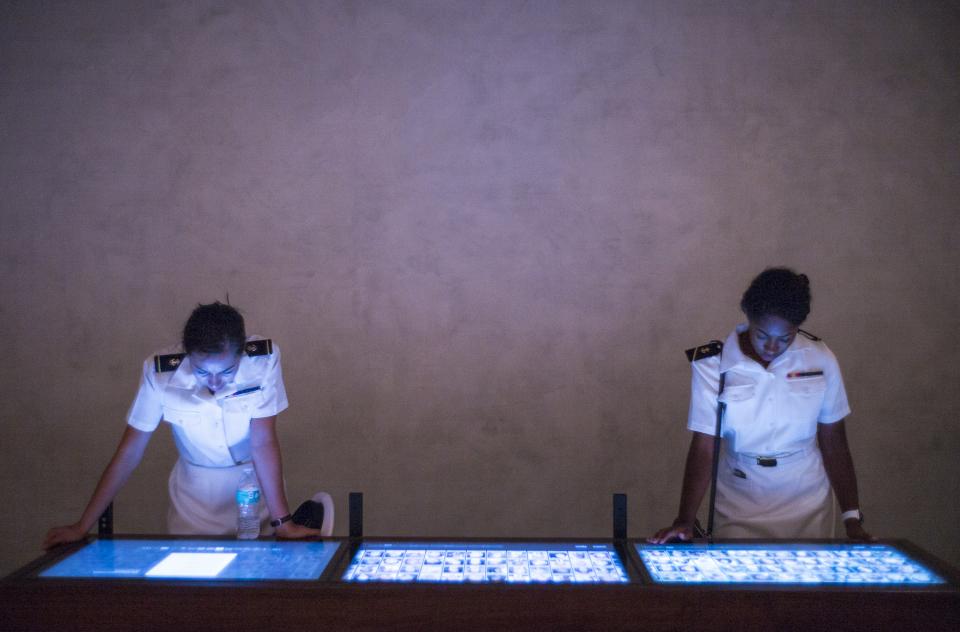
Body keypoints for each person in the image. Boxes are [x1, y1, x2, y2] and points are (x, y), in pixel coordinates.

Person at [44, 302, 320, 548]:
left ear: (240, 355)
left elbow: (263, 441)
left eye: (226, 372)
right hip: (194, 500)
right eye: (202, 372)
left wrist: (282, 522)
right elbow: (129, 453)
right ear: (188, 355)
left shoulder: (263, 359)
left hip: (254, 489)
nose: (214, 383)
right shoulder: (160, 372)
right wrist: (82, 526)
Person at [650, 268, 871, 543]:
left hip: (806, 497)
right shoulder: (713, 364)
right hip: (741, 497)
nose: (771, 347)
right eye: (762, 335)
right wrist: (684, 519)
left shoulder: (820, 358)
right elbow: (705, 444)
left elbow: (834, 441)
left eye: (785, 339)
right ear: (749, 317)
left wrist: (851, 518)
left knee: (806, 584)